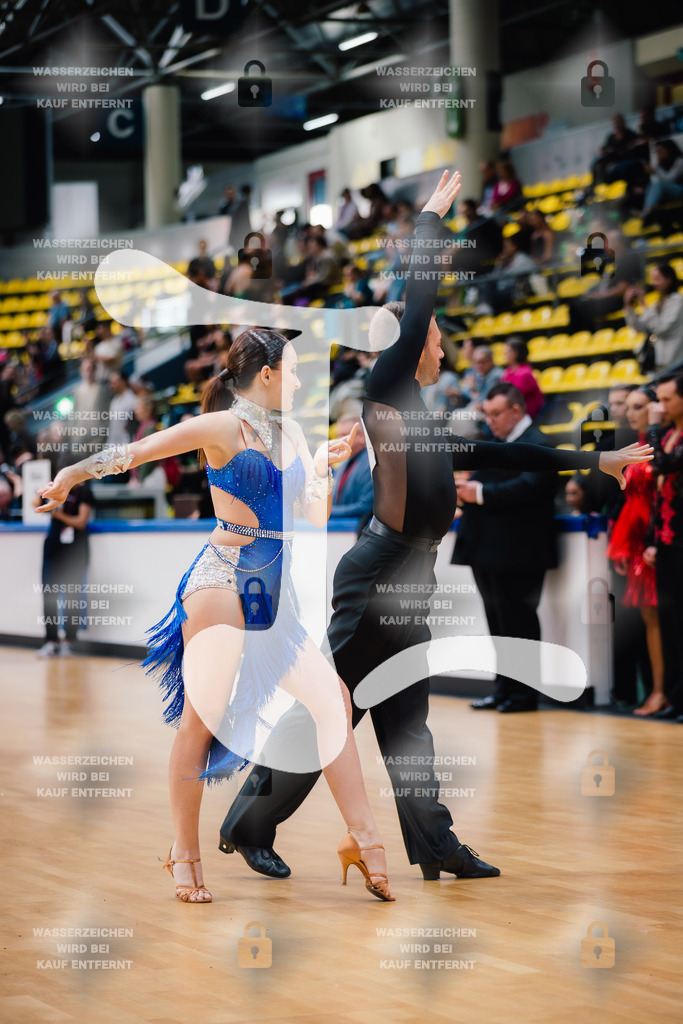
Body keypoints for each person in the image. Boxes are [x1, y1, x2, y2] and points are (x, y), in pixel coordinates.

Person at [218, 168, 654, 881]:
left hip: (409, 578)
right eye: (437, 338)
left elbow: (500, 450)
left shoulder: (419, 412)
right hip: (379, 575)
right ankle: (250, 821)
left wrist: (593, 457)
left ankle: (435, 845)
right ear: (409, 340)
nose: (445, 347)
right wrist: (426, 222)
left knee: (407, 724)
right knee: (334, 711)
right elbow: (419, 299)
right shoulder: (389, 383)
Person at [37, 329, 395, 904]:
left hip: (275, 590)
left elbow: (313, 512)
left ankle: (365, 840)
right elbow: (139, 451)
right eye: (295, 370)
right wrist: (71, 475)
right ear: (268, 372)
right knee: (201, 723)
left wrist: (329, 462)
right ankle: (184, 852)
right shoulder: (225, 426)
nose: (302, 381)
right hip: (222, 579)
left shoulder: (295, 432)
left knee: (334, 700)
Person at [454, 383, 560, 713]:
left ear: (516, 410)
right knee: (498, 625)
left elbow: (529, 487)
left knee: (519, 624)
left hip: (521, 553)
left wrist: (480, 493)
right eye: (486, 414)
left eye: (496, 414)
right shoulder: (498, 445)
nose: (490, 421)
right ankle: (503, 691)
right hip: (490, 550)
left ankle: (524, 695)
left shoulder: (540, 444)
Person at [606, 387, 669, 716]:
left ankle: (661, 691)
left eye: (638, 406)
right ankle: (657, 690)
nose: (630, 413)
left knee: (658, 619)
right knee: (648, 619)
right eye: (627, 407)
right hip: (635, 542)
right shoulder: (641, 443)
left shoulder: (659, 445)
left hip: (653, 539)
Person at [643, 375, 683, 722]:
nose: (661, 407)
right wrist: (654, 540)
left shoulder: (668, 436)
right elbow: (659, 496)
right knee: (671, 622)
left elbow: (664, 465)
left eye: (668, 400)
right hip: (669, 542)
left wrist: (653, 428)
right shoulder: (671, 435)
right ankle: (675, 698)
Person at [35, 465, 95, 658]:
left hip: (74, 551)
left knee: (72, 597)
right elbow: (34, 503)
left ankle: (69, 641)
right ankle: (51, 641)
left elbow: (81, 521)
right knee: (49, 595)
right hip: (53, 549)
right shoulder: (56, 490)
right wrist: (44, 493)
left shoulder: (84, 492)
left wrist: (59, 515)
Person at [623, 264, 683, 374]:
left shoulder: (678, 301)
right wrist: (628, 306)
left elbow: (661, 328)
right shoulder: (656, 304)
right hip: (657, 365)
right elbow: (640, 328)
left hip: (674, 365)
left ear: (669, 279)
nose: (654, 284)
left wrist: (643, 304)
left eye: (657, 279)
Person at [329, 412, 373, 529]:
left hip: (358, 531)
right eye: (338, 436)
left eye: (344, 435)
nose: (339, 440)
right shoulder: (343, 464)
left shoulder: (372, 465)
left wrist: (328, 512)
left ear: (362, 437)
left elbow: (365, 507)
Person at [640, 140, 683, 224]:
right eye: (657, 152)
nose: (659, 154)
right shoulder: (662, 164)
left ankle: (646, 213)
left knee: (658, 185)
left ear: (669, 150)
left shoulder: (680, 161)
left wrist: (655, 170)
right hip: (671, 191)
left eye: (661, 151)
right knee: (652, 185)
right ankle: (647, 211)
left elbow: (670, 179)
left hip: (680, 189)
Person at [501, 336, 544, 419]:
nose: (504, 354)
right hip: (513, 412)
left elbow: (514, 398)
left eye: (508, 351)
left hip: (527, 415)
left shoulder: (525, 373)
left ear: (516, 353)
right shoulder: (508, 371)